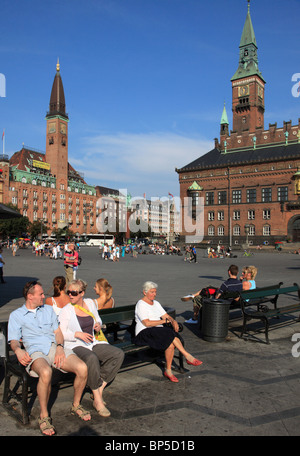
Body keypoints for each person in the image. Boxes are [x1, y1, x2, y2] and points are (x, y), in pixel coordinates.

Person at [8, 280, 91, 436]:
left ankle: (76, 404)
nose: (43, 296)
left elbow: (58, 332)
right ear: (30, 296)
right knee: (46, 372)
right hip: (35, 352)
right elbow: (13, 340)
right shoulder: (16, 315)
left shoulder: (47, 309)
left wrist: (60, 347)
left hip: (54, 348)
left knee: (82, 367)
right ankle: (44, 416)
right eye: (40, 294)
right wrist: (18, 351)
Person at [59, 279, 124, 417]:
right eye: (68, 292)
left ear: (82, 293)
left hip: (93, 342)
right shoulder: (66, 310)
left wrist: (98, 325)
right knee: (91, 358)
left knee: (118, 354)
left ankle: (99, 387)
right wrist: (76, 334)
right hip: (75, 344)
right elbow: (61, 332)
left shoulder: (89, 303)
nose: (70, 295)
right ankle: (97, 399)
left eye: (74, 293)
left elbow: (98, 319)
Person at [134, 281, 203, 383]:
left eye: (155, 292)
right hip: (144, 332)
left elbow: (166, 316)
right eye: (152, 292)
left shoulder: (156, 303)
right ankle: (187, 356)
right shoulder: (141, 304)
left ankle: (169, 370)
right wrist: (164, 321)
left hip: (157, 331)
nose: (154, 294)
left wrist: (173, 321)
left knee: (170, 343)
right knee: (169, 333)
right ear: (145, 292)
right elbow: (147, 323)